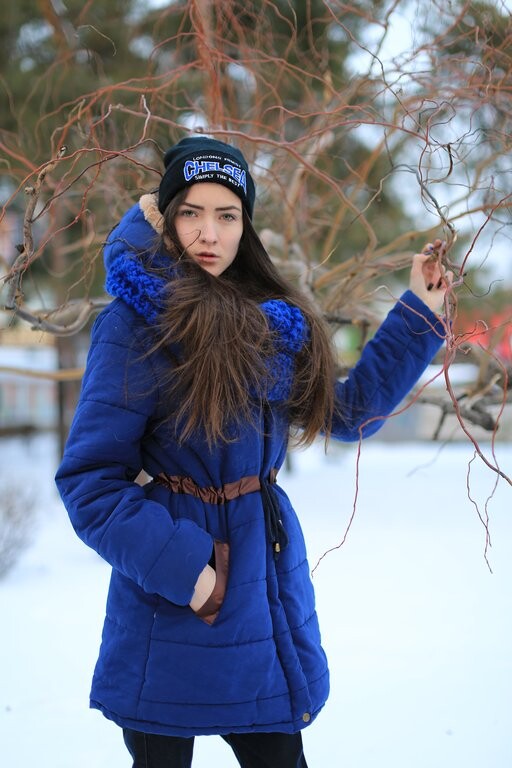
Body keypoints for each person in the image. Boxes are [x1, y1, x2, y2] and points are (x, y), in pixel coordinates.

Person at [55, 136, 449, 768]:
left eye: (227, 215)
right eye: (191, 212)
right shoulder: (133, 326)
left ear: (246, 226)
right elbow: (91, 483)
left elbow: (347, 412)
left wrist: (419, 313)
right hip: (172, 600)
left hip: (260, 592)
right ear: (166, 217)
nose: (209, 232)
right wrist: (192, 573)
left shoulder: (270, 324)